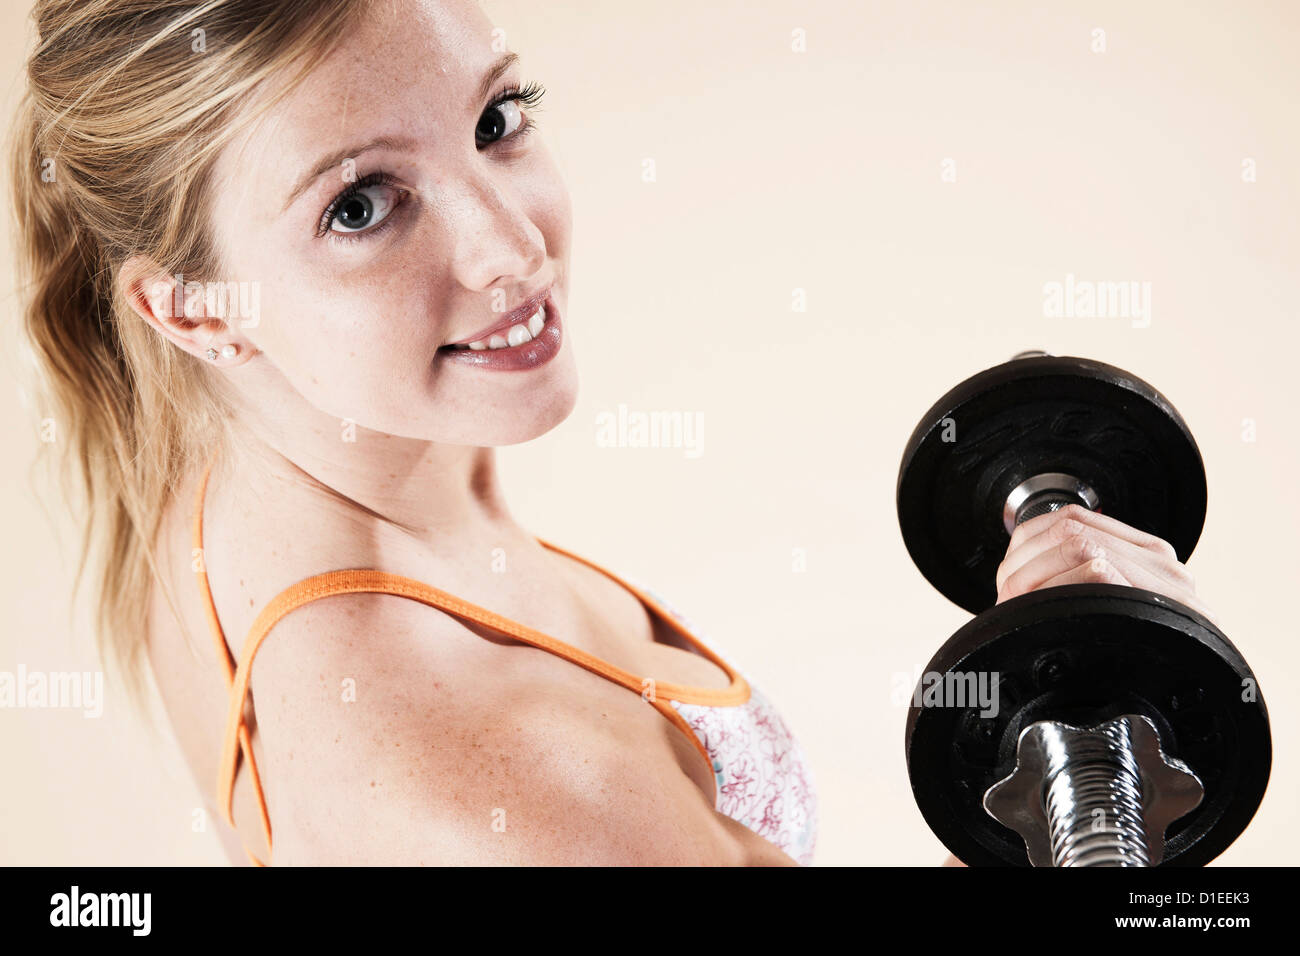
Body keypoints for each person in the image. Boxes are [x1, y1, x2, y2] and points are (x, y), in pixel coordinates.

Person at [11, 0, 1211, 866]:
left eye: (494, 119)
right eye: (360, 204)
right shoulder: (527, 781)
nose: (510, 248)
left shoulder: (208, 465)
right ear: (191, 307)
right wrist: (1078, 734)